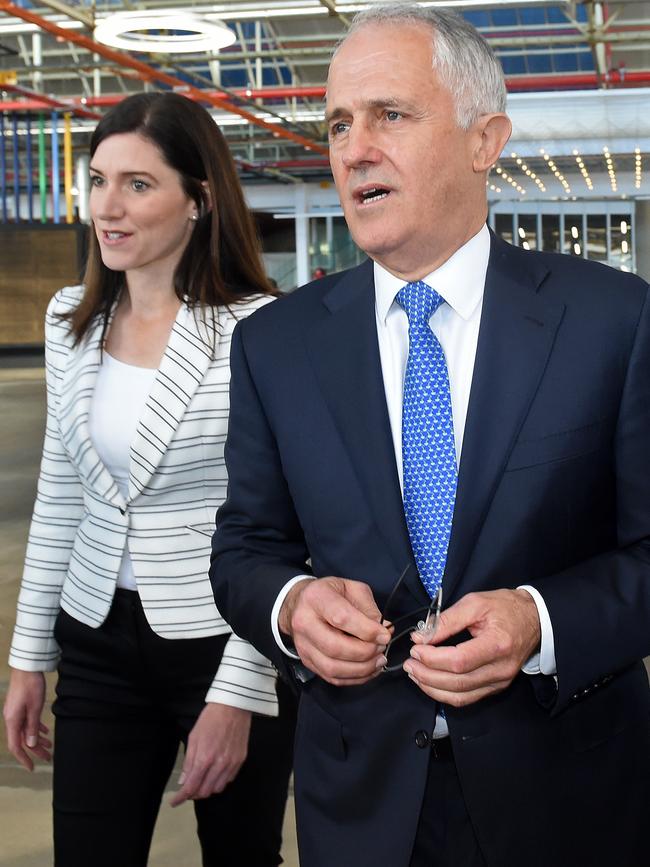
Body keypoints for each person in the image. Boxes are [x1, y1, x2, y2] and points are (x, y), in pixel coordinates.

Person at [210, 5, 650, 867]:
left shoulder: (613, 323)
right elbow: (245, 548)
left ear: (485, 140)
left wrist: (539, 620)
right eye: (338, 123)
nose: (353, 147)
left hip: (569, 801)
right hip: (361, 808)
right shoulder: (276, 345)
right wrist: (293, 607)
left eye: (390, 115)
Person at [3, 91, 295, 867]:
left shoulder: (259, 330)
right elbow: (63, 496)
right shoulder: (73, 321)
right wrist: (29, 655)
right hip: (96, 638)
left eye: (137, 183)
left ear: (199, 199)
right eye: (98, 180)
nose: (108, 205)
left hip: (223, 639)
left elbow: (282, 525)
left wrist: (237, 694)